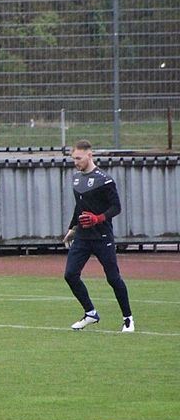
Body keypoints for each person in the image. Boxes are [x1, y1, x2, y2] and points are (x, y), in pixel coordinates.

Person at [63, 139, 134, 332]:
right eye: (74, 158)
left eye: (79, 158)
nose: (76, 162)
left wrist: (98, 218)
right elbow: (79, 207)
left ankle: (128, 318)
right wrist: (72, 228)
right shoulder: (76, 179)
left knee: (113, 278)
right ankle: (90, 313)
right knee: (70, 275)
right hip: (82, 237)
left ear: (89, 155)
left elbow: (116, 207)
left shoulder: (105, 180)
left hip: (102, 237)